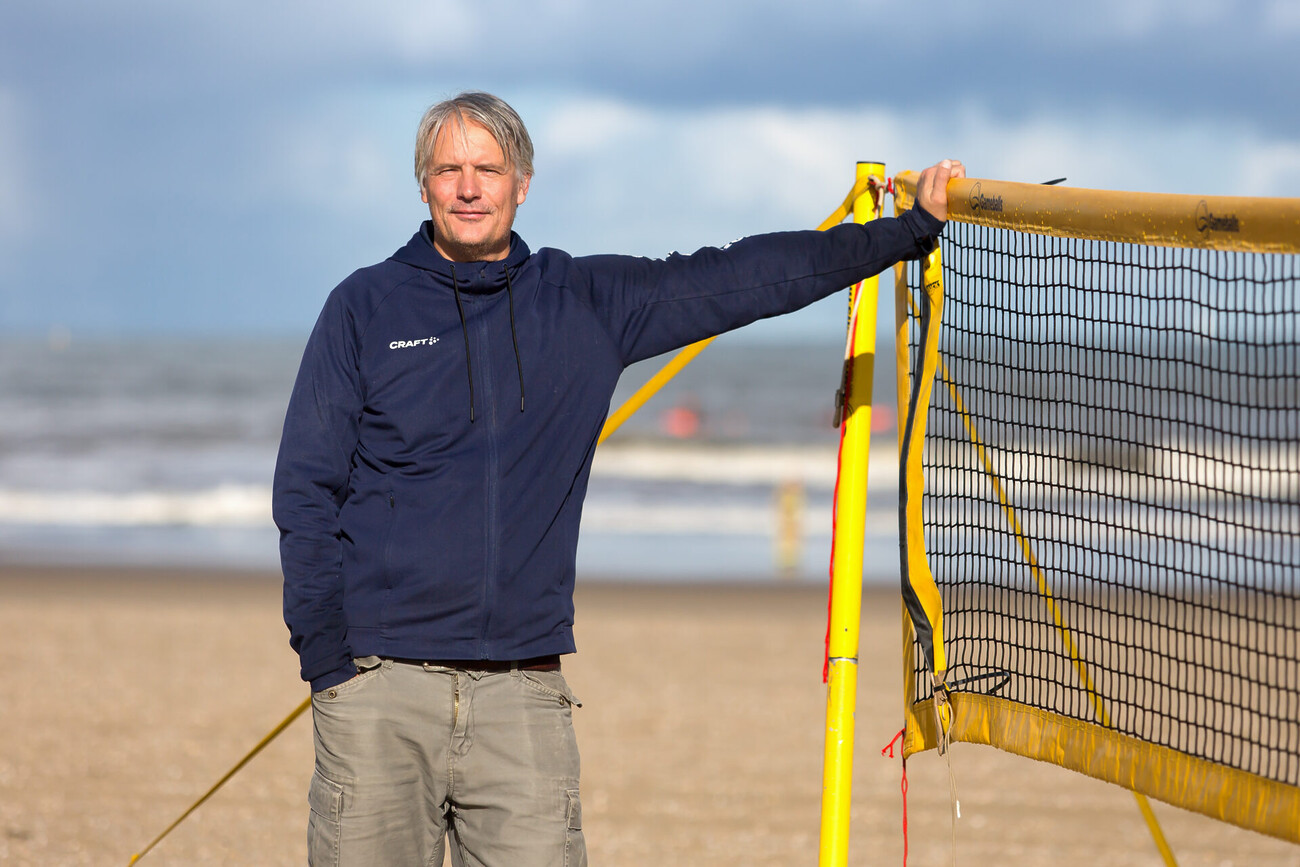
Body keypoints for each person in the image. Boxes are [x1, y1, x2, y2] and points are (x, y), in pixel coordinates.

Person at [273, 90, 964, 866]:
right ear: (424, 185)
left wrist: (907, 232)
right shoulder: (362, 307)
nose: (469, 188)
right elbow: (305, 489)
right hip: (378, 691)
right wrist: (330, 664)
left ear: (522, 182)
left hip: (523, 697)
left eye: (488, 169)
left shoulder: (585, 302)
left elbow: (742, 276)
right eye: (448, 170)